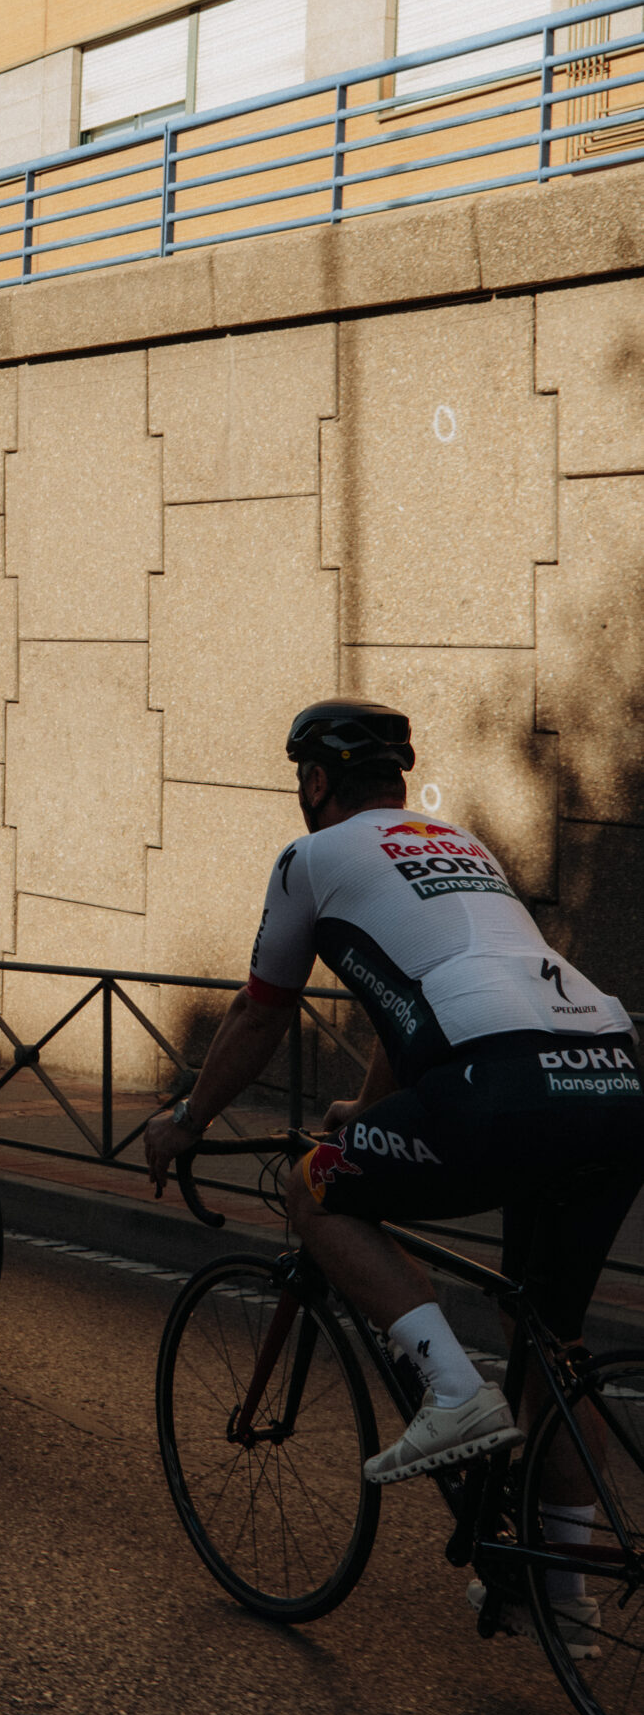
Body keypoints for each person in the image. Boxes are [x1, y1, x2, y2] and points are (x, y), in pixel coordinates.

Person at [143, 699, 644, 1654]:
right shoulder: (461, 844)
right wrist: (371, 1116)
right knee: (549, 1335)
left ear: (316, 780)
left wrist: (185, 1120)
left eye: (301, 777)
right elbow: (408, 1005)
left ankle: (452, 1393)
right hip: (611, 1082)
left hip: (495, 1085)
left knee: (312, 1187)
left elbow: (257, 1016)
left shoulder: (310, 861)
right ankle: (565, 1593)